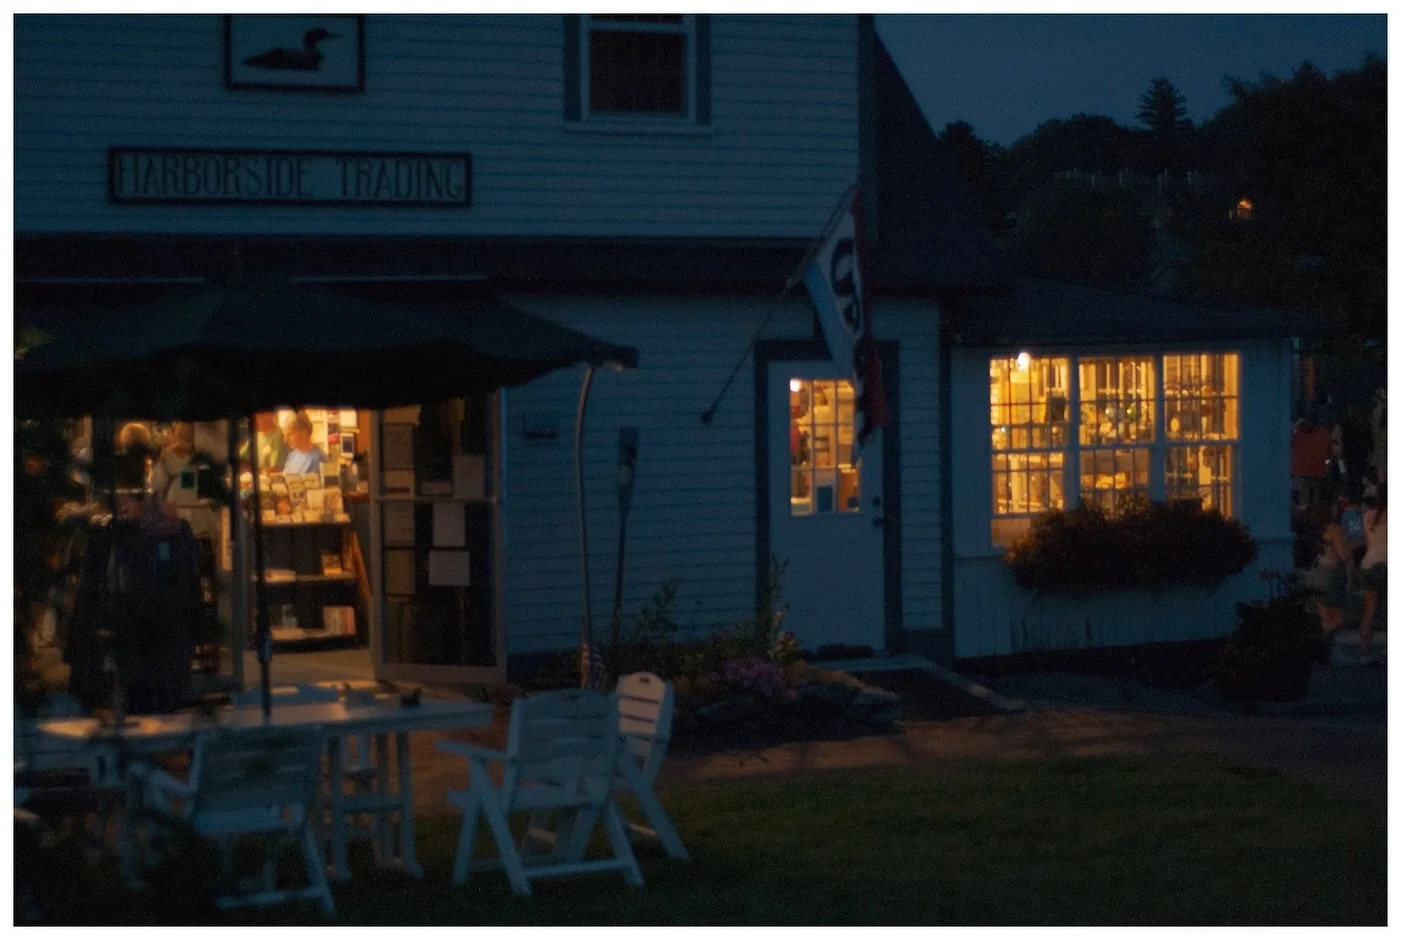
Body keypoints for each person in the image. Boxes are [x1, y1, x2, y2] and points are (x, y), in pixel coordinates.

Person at [1357, 487, 1386, 666]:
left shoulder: (1367, 516)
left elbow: (1367, 543)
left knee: (1369, 611)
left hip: (1368, 565)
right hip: (1386, 565)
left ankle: (1365, 652)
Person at [282, 411, 327, 476]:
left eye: (290, 434)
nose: (285, 440)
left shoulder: (319, 459)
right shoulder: (293, 455)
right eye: (285, 435)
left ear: (304, 433)